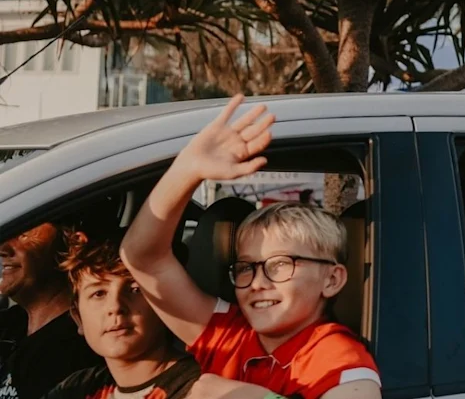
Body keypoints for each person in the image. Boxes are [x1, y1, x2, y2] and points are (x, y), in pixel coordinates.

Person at [120, 97, 380, 399]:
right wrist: (188, 170)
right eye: (246, 267)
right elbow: (142, 258)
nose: (257, 283)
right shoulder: (231, 334)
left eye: (280, 264)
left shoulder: (336, 356)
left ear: (332, 279)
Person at [41, 231, 199, 399]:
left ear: (166, 305)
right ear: (78, 317)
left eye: (135, 290)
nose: (115, 307)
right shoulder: (77, 388)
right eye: (99, 293)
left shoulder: (200, 388)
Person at [0, 224, 101, 399]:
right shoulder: (13, 322)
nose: (3, 248)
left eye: (24, 234)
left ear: (70, 244)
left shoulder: (84, 346)